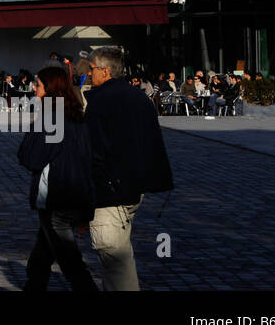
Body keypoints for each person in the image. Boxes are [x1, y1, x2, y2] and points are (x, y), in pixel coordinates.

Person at [84, 46, 174, 290]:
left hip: (109, 192)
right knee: (120, 254)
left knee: (115, 260)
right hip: (135, 187)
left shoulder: (101, 101)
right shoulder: (137, 97)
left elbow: (94, 151)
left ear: (105, 71)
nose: (89, 75)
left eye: (92, 70)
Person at [19, 66, 98, 291]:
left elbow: (30, 158)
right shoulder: (76, 116)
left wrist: (34, 128)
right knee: (42, 256)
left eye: (39, 85)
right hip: (74, 195)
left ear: (51, 89)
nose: (34, 88)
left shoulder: (51, 118)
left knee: (70, 262)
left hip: (57, 197)